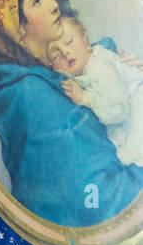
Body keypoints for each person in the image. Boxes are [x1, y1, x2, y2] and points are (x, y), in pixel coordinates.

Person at [0, 0, 143, 226]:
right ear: (17, 28)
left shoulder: (54, 71)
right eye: (37, 0)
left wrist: (121, 71)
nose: (54, 5)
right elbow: (104, 202)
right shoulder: (32, 93)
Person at [46, 16, 143, 166]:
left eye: (69, 42)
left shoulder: (99, 65)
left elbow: (117, 110)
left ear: (86, 41)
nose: (65, 52)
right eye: (56, 56)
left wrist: (85, 98)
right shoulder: (81, 73)